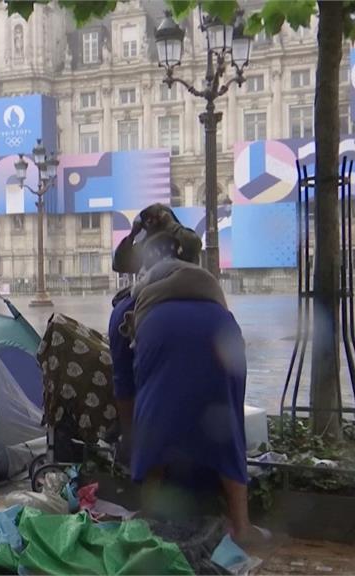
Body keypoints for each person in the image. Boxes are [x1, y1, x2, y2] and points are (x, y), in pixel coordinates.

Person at [109, 203, 252, 543]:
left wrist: (132, 439)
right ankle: (241, 524)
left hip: (159, 330)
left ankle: (149, 517)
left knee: (153, 415)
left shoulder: (128, 307)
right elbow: (228, 393)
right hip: (224, 330)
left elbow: (126, 389)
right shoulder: (204, 284)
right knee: (228, 421)